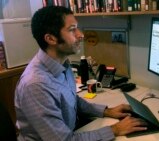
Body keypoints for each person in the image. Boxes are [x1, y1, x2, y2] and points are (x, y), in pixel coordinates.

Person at [15, 6, 147, 141]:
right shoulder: (35, 85)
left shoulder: (62, 64)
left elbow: (71, 100)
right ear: (51, 39)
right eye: (72, 30)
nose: (80, 34)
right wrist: (115, 129)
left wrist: (106, 111)